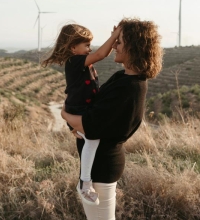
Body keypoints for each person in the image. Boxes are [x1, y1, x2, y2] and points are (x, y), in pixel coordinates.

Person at [61, 18, 163, 220]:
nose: (115, 46)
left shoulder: (129, 87)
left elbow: (88, 124)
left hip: (101, 168)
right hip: (100, 165)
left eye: (120, 41)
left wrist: (64, 114)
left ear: (133, 47)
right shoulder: (123, 79)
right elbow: (94, 114)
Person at [42, 23, 122, 205]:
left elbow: (102, 53)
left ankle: (87, 179)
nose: (90, 49)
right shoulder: (74, 61)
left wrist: (113, 40)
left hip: (81, 108)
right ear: (73, 47)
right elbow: (101, 54)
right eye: (86, 45)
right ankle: (85, 183)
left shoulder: (83, 61)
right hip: (78, 109)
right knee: (92, 141)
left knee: (89, 141)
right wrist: (115, 36)